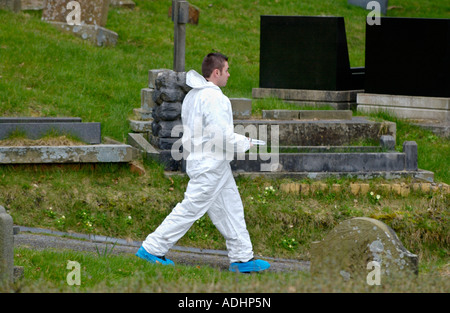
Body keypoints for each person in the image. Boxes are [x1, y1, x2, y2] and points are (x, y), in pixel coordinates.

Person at [136, 52, 270, 273]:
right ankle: (152, 248)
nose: (229, 74)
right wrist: (245, 142)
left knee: (231, 208)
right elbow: (221, 137)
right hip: (209, 165)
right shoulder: (215, 98)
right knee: (189, 209)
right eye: (226, 70)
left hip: (210, 163)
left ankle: (243, 259)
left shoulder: (194, 96)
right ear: (216, 72)